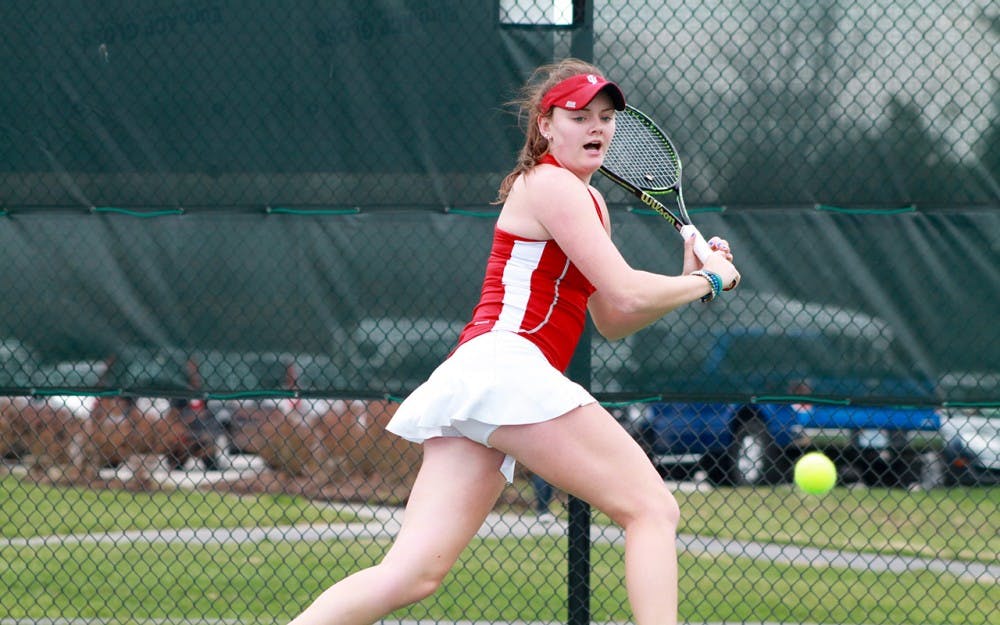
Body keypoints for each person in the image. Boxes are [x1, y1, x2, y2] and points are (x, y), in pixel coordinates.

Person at [287, 58, 740, 625]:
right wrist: (708, 281)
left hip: (484, 374)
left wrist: (688, 278)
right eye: (579, 116)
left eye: (605, 117)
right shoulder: (551, 184)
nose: (597, 127)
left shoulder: (587, 201)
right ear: (546, 126)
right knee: (652, 508)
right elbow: (626, 292)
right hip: (506, 366)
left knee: (413, 574)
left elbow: (612, 318)